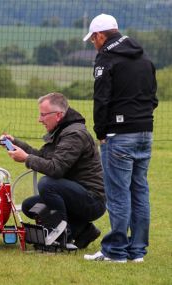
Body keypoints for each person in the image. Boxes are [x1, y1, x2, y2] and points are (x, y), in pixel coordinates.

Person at [82, 14, 158, 262]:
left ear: (100, 35)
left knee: (117, 194)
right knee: (139, 191)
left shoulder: (106, 57)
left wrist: (101, 132)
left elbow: (101, 98)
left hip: (119, 134)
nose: (94, 44)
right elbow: (153, 98)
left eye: (93, 39)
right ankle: (137, 252)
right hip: (145, 132)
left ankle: (115, 251)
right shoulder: (144, 58)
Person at [2, 92, 106, 249]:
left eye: (43, 115)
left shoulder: (74, 134)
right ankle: (84, 230)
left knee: (47, 184)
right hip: (74, 194)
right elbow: (43, 156)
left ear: (58, 115)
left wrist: (26, 159)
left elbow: (56, 169)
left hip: (91, 199)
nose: (39, 119)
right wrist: (16, 143)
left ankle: (60, 236)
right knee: (29, 206)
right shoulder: (62, 130)